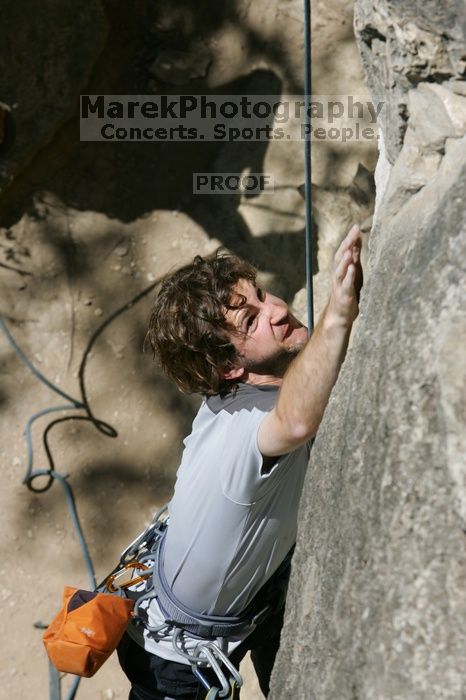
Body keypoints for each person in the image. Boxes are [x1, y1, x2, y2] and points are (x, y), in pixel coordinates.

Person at [117, 225, 363, 699]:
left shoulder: (233, 397)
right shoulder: (240, 430)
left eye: (263, 295)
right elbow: (293, 423)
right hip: (178, 663)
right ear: (229, 367)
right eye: (251, 321)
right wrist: (339, 315)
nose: (277, 310)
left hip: (228, 604)